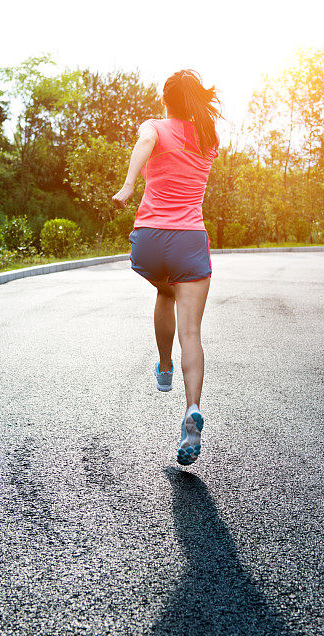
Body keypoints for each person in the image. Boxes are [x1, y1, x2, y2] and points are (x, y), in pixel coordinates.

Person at [112, 69, 220, 467]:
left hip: (151, 239)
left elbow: (145, 141)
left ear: (165, 100)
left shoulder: (154, 126)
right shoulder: (209, 138)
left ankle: (163, 367)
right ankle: (191, 408)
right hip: (190, 238)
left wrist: (128, 186)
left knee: (163, 290)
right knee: (191, 331)